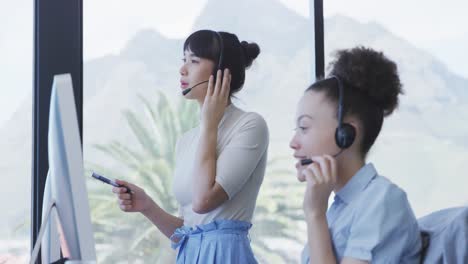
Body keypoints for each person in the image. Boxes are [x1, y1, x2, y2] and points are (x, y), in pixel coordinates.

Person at [113, 29, 268, 264]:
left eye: (194, 61)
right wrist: (147, 205)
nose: (183, 69)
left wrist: (209, 124)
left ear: (221, 73)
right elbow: (188, 232)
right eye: (183, 60)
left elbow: (204, 200)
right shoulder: (186, 141)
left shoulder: (249, 125)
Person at [290, 47, 422, 263]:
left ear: (346, 134)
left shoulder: (382, 201)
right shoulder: (339, 209)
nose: (293, 143)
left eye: (304, 128)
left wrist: (315, 215)